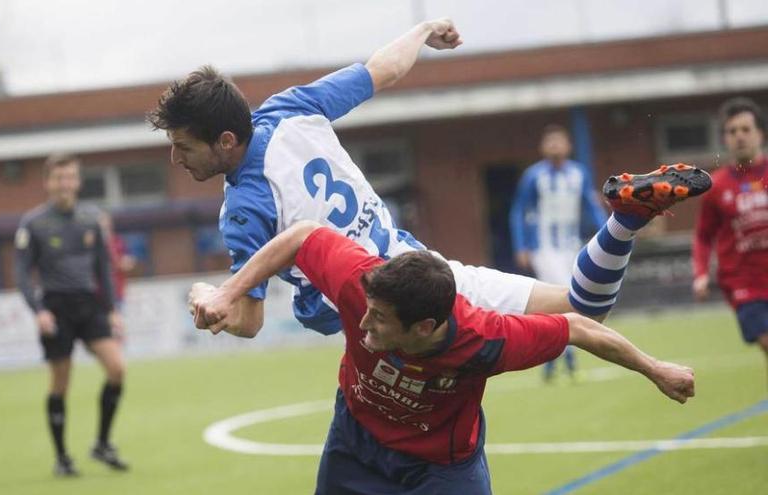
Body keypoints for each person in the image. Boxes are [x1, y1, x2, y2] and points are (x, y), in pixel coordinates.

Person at [148, 18, 711, 338]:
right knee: (581, 308)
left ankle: (625, 221)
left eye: (183, 148)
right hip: (426, 269)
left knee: (394, 453)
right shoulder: (289, 110)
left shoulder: (243, 206)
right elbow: (380, 70)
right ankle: (624, 223)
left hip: (383, 326)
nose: (178, 161)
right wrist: (422, 30)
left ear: (226, 140)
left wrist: (209, 295)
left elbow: (246, 319)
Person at [189, 221, 695, 493]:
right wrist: (229, 293)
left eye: (380, 320)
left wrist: (656, 369)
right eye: (367, 311)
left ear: (425, 327)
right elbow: (302, 236)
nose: (362, 326)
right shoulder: (359, 282)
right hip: (355, 442)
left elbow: (579, 326)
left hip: (441, 469)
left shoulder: (486, 339)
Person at [15, 154, 130, 476]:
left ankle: (102, 444)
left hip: (90, 306)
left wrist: (112, 311)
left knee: (117, 369)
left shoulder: (91, 220)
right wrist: (38, 312)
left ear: (77, 182)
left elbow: (103, 269)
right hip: (56, 308)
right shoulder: (33, 223)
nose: (65, 184)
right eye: (58, 178)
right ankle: (62, 458)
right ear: (47, 182)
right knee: (60, 383)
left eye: (70, 178)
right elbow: (22, 274)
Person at [510, 124, 608, 382]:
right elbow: (519, 211)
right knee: (566, 298)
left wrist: (608, 233)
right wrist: (521, 245)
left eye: (559, 141)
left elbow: (591, 205)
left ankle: (554, 360)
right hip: (544, 249)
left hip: (571, 247)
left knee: (564, 304)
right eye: (550, 142)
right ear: (543, 148)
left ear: (568, 146)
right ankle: (566, 358)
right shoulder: (533, 176)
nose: (555, 146)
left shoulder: (579, 173)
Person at [693, 97, 768, 387]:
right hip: (743, 284)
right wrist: (700, 274)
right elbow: (702, 235)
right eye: (732, 131)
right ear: (724, 138)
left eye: (746, 129)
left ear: (760, 133)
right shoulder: (717, 186)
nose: (739, 136)